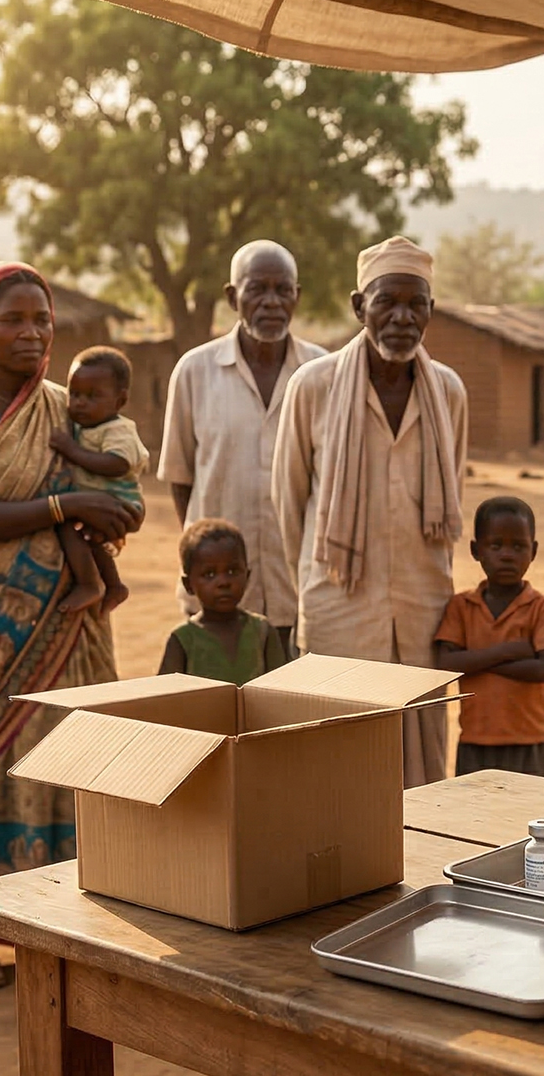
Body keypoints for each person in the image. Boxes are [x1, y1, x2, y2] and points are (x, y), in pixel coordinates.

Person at [0, 261, 140, 989]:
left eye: (41, 319)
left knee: (76, 755)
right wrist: (64, 508)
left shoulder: (68, 406)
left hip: (71, 619)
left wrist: (116, 512)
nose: (31, 332)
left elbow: (113, 481)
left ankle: (70, 919)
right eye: (12, 319)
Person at [274, 236, 468, 786]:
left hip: (424, 608)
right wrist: (311, 583)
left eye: (415, 304)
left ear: (431, 311)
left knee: (422, 770)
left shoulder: (448, 392)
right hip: (339, 608)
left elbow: (452, 487)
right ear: (360, 307)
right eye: (387, 302)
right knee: (335, 768)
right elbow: (289, 502)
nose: (402, 318)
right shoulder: (313, 386)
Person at [159, 241, 327, 651]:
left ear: (297, 297)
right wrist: (205, 560)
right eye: (257, 289)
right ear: (233, 297)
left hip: (298, 587)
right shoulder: (195, 371)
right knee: (220, 691)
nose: (271, 302)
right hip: (217, 598)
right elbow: (181, 478)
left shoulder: (324, 372)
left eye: (282, 290)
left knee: (295, 691)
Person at [433, 497, 544, 778]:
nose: (507, 556)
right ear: (476, 550)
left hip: (530, 740)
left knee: (535, 806)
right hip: (475, 741)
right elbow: (446, 664)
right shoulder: (462, 606)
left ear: (533, 551)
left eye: (518, 547)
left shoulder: (541, 606)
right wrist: (509, 651)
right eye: (495, 546)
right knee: (474, 807)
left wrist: (476, 663)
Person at [49, 345, 149, 613]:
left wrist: (72, 450)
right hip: (99, 501)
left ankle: (89, 584)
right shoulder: (80, 425)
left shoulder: (118, 430)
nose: (80, 402)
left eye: (93, 396)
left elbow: (117, 464)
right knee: (90, 539)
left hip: (121, 503)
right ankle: (114, 585)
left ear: (120, 401)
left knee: (66, 526)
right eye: (75, 394)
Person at [158, 519, 291, 684]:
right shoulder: (183, 640)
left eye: (232, 571)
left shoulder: (263, 632)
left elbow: (281, 687)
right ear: (188, 585)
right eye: (209, 574)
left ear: (247, 576)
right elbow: (165, 693)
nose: (223, 582)